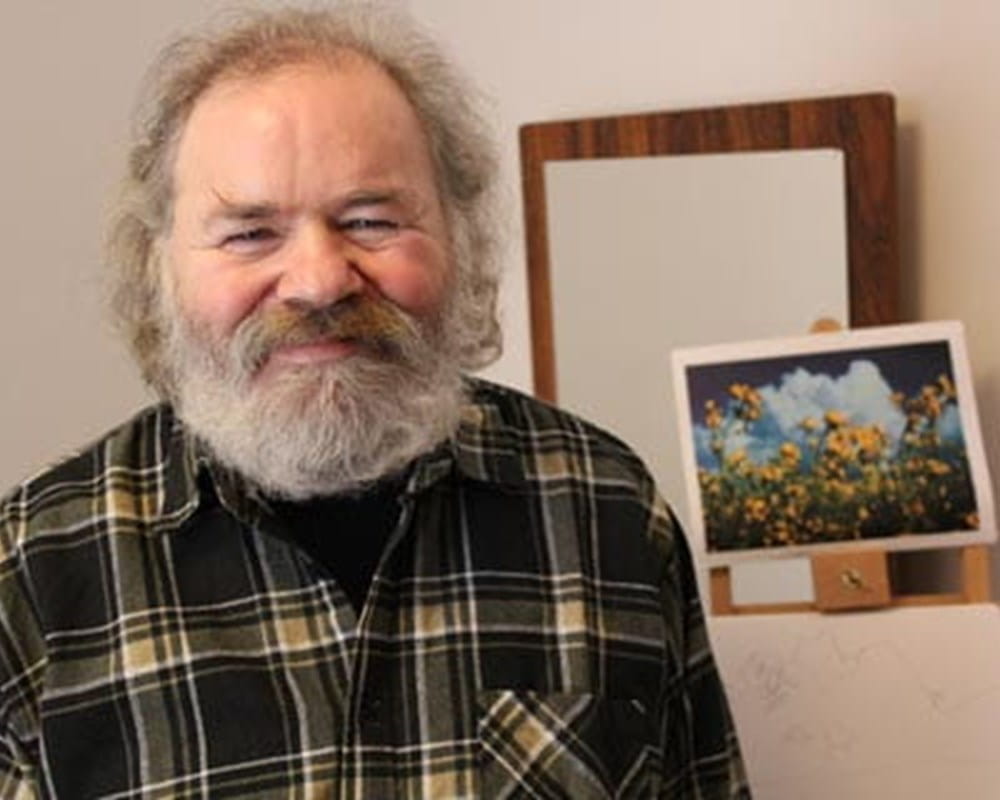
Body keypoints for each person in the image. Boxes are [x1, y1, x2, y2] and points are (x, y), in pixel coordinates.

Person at [0, 6, 748, 797]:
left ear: (459, 238)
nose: (320, 280)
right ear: (160, 269)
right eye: (251, 233)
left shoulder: (607, 511)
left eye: (370, 219)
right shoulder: (35, 569)